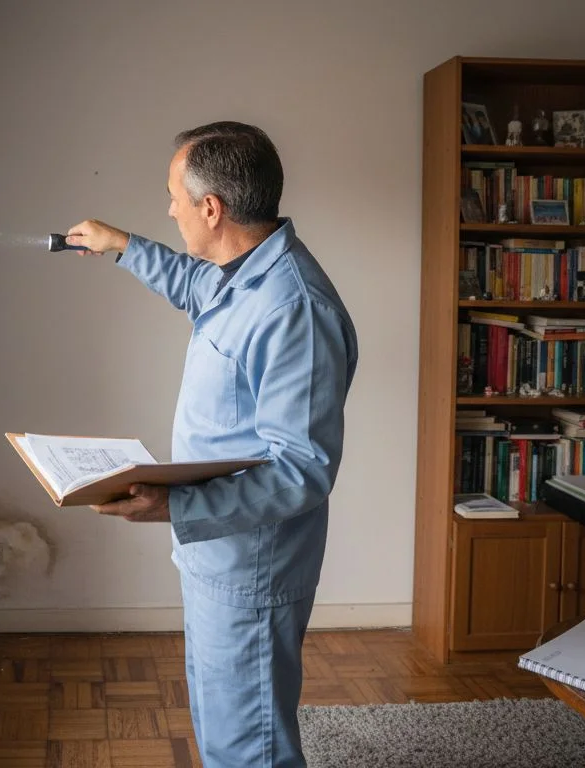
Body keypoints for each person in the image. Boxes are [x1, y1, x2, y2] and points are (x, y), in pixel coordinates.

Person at [64, 121, 359, 767]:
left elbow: (303, 469)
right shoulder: (240, 272)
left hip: (252, 565)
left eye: (174, 196)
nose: (169, 209)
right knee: (221, 727)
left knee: (249, 747)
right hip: (214, 554)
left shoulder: (293, 310)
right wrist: (121, 245)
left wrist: (176, 506)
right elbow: (190, 284)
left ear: (211, 208)